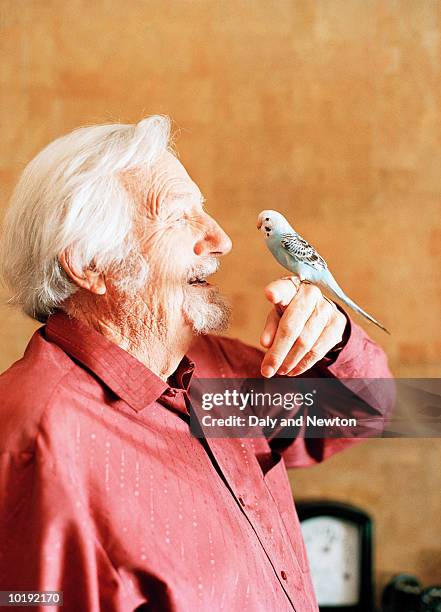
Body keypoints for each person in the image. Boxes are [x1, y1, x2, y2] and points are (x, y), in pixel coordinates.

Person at [0, 116, 391, 611]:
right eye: (181, 217)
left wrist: (332, 342)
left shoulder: (214, 367)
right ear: (89, 264)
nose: (222, 239)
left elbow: (367, 412)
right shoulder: (35, 444)